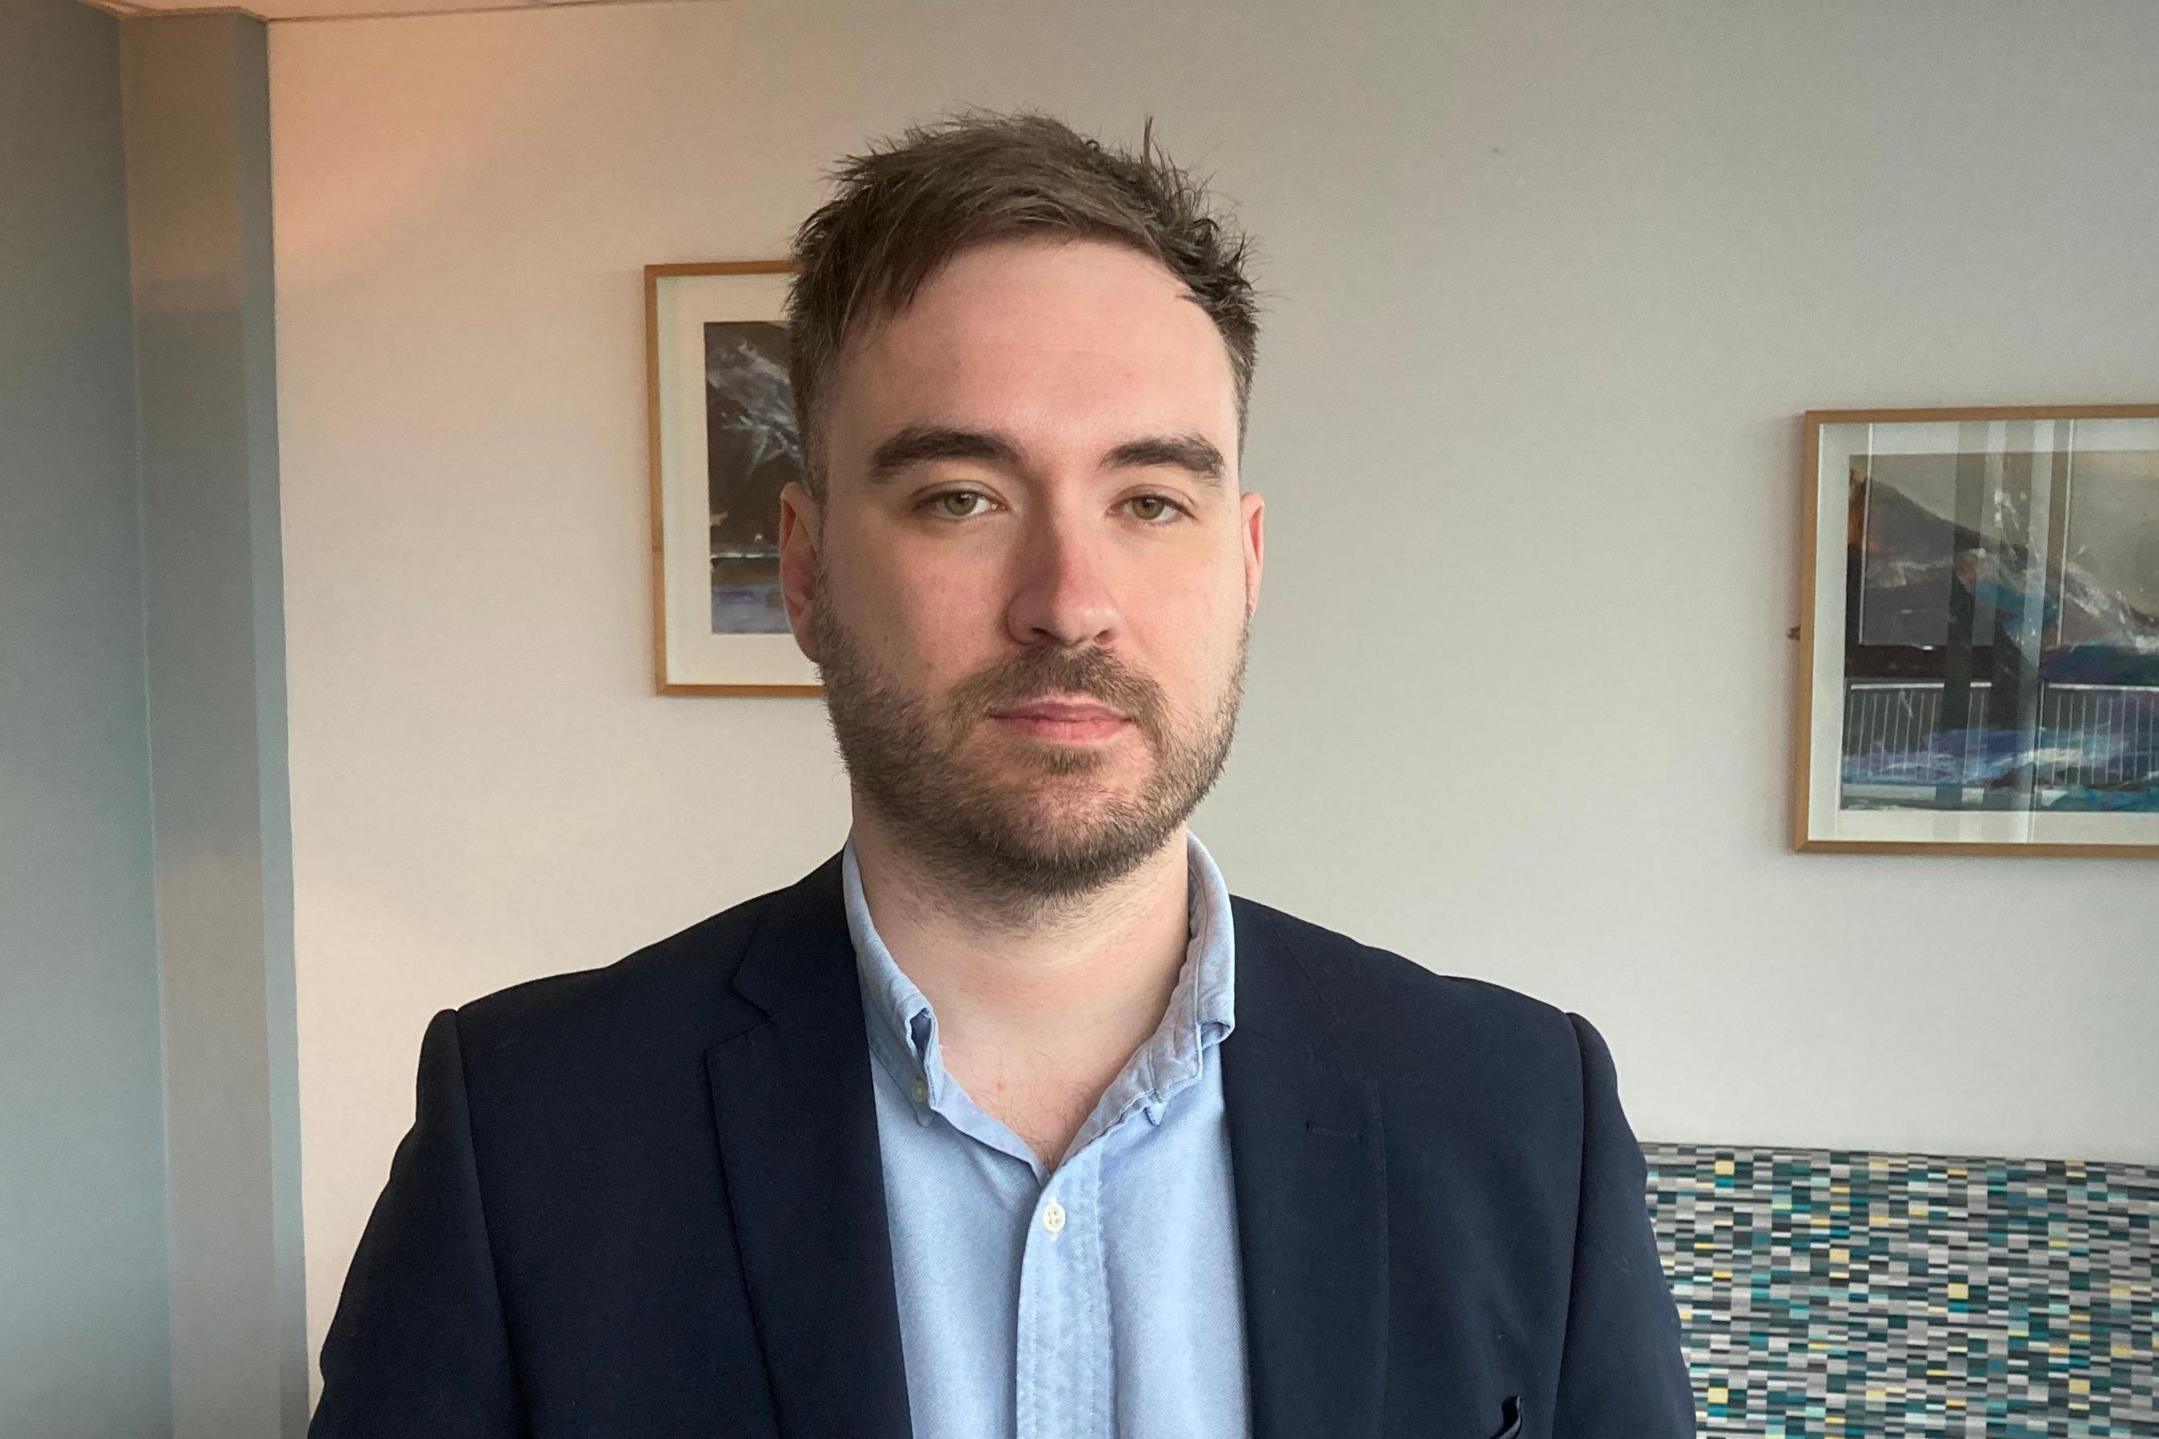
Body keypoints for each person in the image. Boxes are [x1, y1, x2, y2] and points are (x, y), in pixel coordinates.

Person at [307, 109, 1691, 1439]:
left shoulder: (1519, 1114)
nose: (1070, 601)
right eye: (961, 497)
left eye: (1150, 500)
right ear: (804, 569)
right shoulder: (535, 1130)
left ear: (1247, 564)